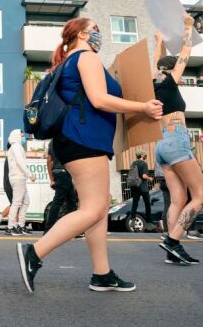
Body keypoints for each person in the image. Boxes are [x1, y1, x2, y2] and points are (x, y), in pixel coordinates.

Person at [16, 18, 163, 294]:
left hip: (73, 141)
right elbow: (99, 99)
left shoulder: (67, 62)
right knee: (93, 209)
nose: (99, 34)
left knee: (96, 211)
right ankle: (33, 253)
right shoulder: (86, 57)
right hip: (84, 140)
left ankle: (102, 273)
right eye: (96, 29)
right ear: (82, 34)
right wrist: (143, 108)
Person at [152, 19, 203, 265]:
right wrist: (187, 28)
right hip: (176, 141)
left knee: (177, 200)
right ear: (173, 70)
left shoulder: (154, 84)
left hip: (161, 145)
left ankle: (172, 249)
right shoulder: (170, 80)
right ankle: (173, 241)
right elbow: (185, 52)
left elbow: (157, 63)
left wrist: (158, 43)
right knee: (200, 196)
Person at [44, 139, 78, 233]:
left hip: (59, 173)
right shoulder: (67, 139)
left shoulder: (52, 142)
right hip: (64, 173)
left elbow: (49, 161)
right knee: (58, 202)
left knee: (71, 202)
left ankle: (74, 230)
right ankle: (48, 229)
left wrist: (51, 179)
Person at [7, 129, 35, 236]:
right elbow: (20, 162)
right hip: (18, 177)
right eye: (22, 135)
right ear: (17, 136)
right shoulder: (16, 147)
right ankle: (10, 227)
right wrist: (29, 175)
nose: (23, 138)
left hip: (18, 177)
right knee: (17, 202)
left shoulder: (15, 147)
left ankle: (21, 225)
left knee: (25, 201)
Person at [0, 142, 16, 233]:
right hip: (10, 184)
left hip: (9, 183)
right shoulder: (12, 156)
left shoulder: (10, 155)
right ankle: (0, 220)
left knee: (15, 205)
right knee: (16, 204)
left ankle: (13, 225)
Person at [128, 150, 154, 232]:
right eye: (145, 155)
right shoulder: (144, 164)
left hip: (135, 186)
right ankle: (149, 223)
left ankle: (132, 220)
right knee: (147, 204)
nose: (145, 156)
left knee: (135, 204)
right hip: (142, 187)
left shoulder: (133, 163)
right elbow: (144, 176)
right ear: (142, 155)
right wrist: (150, 178)